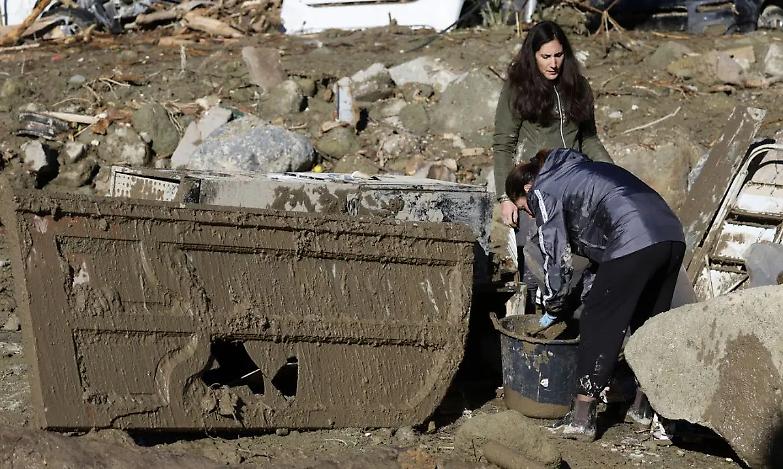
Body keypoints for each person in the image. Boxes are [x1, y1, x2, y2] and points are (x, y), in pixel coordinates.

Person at [505, 147, 685, 442]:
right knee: (649, 325)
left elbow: (554, 254)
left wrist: (553, 304)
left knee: (598, 321)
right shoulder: (578, 173)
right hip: (671, 234)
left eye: (523, 207)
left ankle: (581, 418)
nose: (529, 213)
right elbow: (600, 258)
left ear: (526, 188)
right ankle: (644, 409)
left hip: (633, 235)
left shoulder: (543, 189)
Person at [493, 20, 613, 230]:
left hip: (574, 182)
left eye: (558, 55)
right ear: (533, 56)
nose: (553, 64)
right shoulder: (517, 88)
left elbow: (589, 138)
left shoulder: (579, 86)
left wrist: (612, 173)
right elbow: (504, 144)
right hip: (534, 186)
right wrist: (505, 198)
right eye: (546, 57)